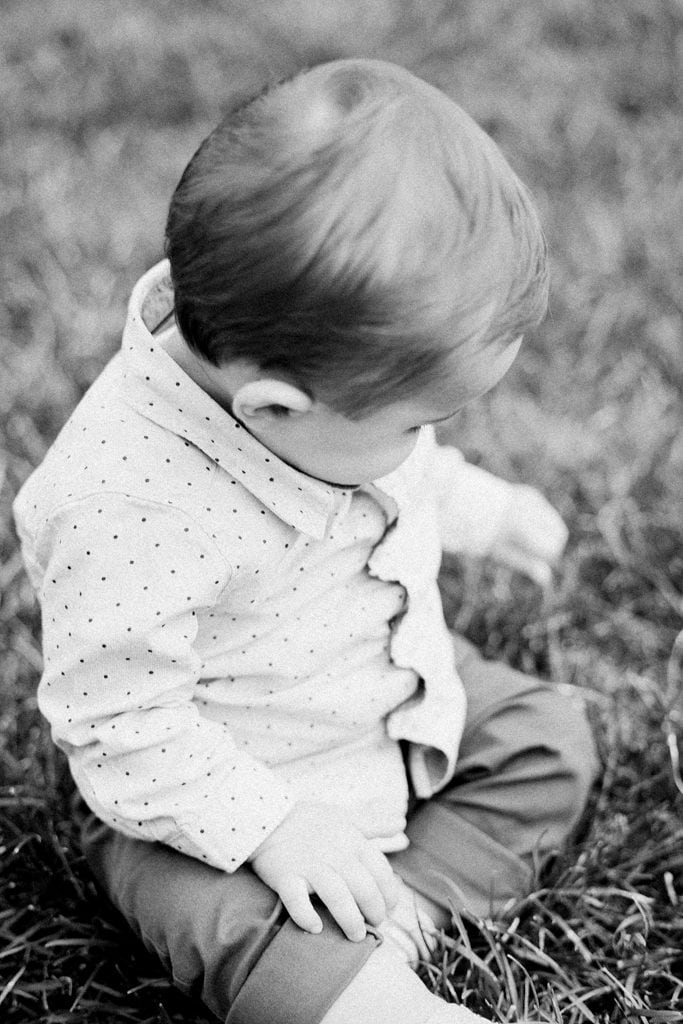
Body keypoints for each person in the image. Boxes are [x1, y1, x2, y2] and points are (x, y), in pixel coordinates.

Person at [14, 59, 598, 1024]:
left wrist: (487, 512)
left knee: (547, 736)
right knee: (220, 920)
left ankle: (399, 915)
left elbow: (410, 474)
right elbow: (119, 724)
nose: (424, 444)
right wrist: (272, 827)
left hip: (377, 688)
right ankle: (354, 989)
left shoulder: (318, 398)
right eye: (419, 422)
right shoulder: (121, 504)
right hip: (212, 798)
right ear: (276, 408)